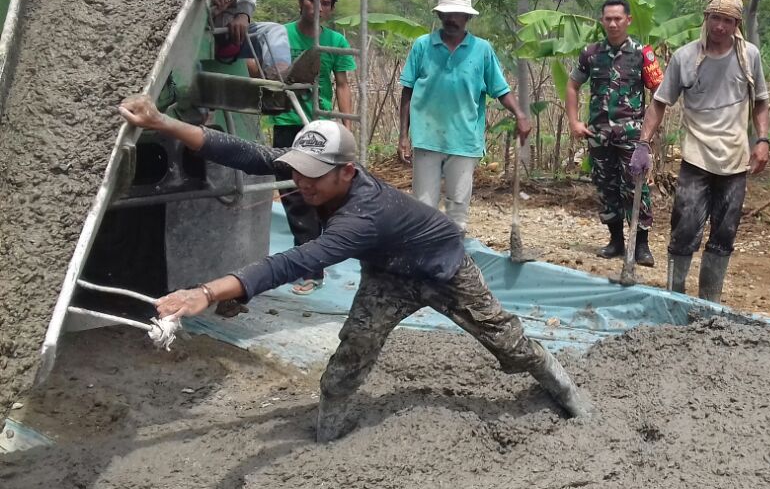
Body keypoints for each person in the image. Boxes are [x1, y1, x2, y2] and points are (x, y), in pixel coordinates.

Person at [118, 94, 592, 442]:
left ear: (347, 171)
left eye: (313, 175)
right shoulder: (313, 172)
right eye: (297, 170)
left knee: (510, 345)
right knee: (349, 358)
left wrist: (206, 293)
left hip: (443, 269)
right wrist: (161, 121)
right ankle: (328, 436)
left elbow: (297, 261)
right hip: (388, 275)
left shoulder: (363, 217)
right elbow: (245, 154)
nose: (301, 183)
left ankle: (565, 391)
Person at [632, 0, 769, 303]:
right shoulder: (685, 57)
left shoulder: (749, 56)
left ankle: (710, 302)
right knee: (685, 227)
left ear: (737, 24)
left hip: (735, 160)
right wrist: (643, 144)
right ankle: (675, 297)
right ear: (705, 18)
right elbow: (659, 103)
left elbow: (760, 101)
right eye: (715, 18)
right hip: (696, 158)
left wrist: (762, 139)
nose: (720, 26)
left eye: (728, 20)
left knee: (724, 233)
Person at [398, 0, 531, 233]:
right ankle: (424, 255)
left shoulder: (482, 50)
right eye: (447, 13)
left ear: (467, 17)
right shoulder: (422, 46)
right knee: (423, 209)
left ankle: (453, 253)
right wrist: (403, 136)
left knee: (457, 211)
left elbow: (500, 89)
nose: (451, 19)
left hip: (464, 139)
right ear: (439, 14)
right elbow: (408, 90)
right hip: (427, 137)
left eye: (457, 14)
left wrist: (520, 115)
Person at [266, 0, 356, 295]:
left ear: (331, 9)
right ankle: (311, 267)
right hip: (287, 121)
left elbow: (342, 85)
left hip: (319, 126)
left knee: (320, 193)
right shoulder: (280, 35)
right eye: (312, 0)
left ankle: (316, 260)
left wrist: (347, 128)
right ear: (300, 1)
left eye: (325, 3)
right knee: (293, 194)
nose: (318, 7)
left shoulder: (335, 41)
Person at [566, 0, 664, 266]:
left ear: (628, 20)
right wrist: (574, 122)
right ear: (602, 21)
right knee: (606, 187)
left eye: (617, 19)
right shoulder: (591, 53)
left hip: (632, 136)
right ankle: (615, 241)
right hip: (599, 134)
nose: (612, 24)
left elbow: (660, 93)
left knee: (636, 188)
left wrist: (647, 134)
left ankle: (641, 245)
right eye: (608, 19)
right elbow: (573, 85)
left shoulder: (642, 54)